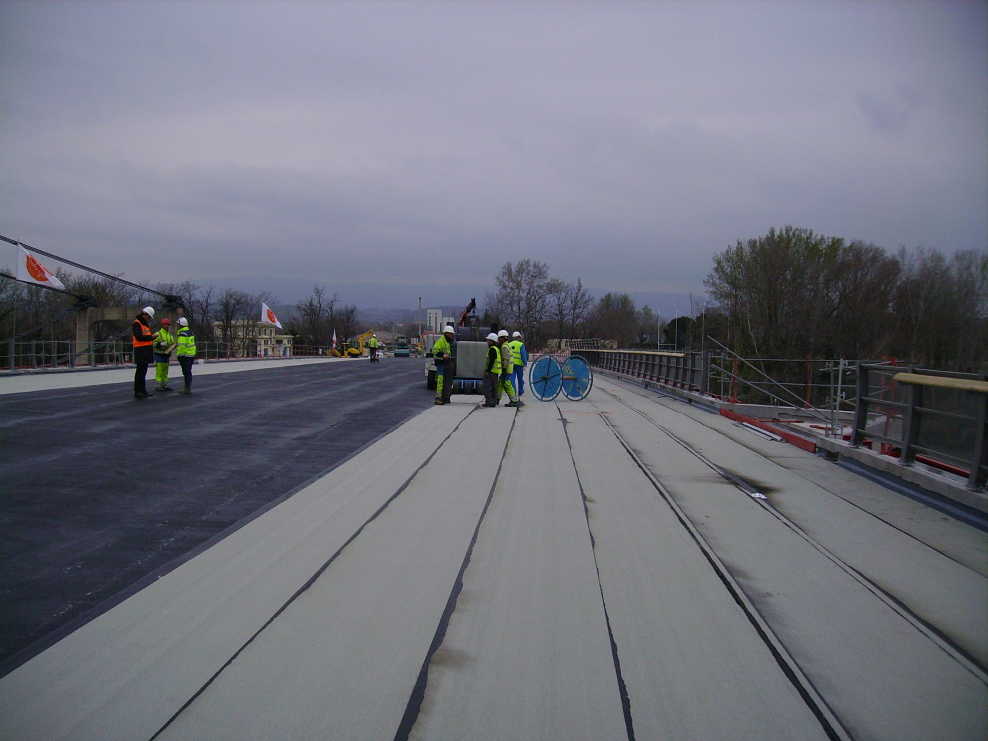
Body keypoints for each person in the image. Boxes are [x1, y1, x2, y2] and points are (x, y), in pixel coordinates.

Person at [132, 306, 156, 399]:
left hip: (146, 350)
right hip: (140, 350)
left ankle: (143, 391)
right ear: (145, 315)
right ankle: (138, 391)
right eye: (149, 317)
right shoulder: (137, 323)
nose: (149, 319)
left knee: (143, 372)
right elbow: (138, 337)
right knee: (140, 372)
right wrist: (152, 337)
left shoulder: (145, 324)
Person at [431, 325, 455, 405]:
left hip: (445, 363)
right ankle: (438, 398)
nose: (452, 336)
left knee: (445, 381)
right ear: (447, 333)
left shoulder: (446, 342)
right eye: (451, 334)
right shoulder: (441, 341)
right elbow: (434, 350)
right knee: (440, 381)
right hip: (440, 363)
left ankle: (444, 398)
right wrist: (443, 355)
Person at [497, 330, 522, 407]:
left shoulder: (504, 347)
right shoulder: (507, 345)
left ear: (503, 338)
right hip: (509, 368)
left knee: (507, 384)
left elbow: (506, 359)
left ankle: (514, 400)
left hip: (507, 369)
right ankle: (497, 398)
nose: (498, 340)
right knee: (501, 384)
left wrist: (504, 369)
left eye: (499, 338)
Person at [153, 318, 177, 392]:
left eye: (168, 325)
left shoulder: (170, 335)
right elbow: (151, 343)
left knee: (165, 371)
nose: (167, 326)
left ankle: (164, 385)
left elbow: (173, 343)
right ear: (162, 325)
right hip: (159, 355)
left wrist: (173, 347)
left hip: (166, 355)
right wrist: (159, 344)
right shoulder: (158, 334)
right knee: (159, 370)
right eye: (165, 324)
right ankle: (158, 385)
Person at [175, 317, 197, 394]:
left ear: (181, 325)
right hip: (191, 355)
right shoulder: (190, 332)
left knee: (186, 372)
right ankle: (187, 387)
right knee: (188, 372)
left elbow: (182, 346)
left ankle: (187, 389)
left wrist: (179, 356)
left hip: (185, 356)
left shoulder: (183, 333)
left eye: (178, 324)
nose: (177, 326)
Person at [482, 332, 501, 407]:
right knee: (494, 388)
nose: (487, 342)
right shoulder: (496, 349)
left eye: (488, 340)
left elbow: (491, 361)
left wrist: (488, 371)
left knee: (487, 388)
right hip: (495, 372)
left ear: (492, 341)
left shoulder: (492, 349)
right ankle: (493, 402)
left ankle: (489, 402)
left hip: (491, 372)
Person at [508, 331, 528, 396]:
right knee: (520, 379)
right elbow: (523, 355)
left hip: (511, 364)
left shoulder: (509, 344)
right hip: (519, 364)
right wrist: (525, 363)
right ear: (519, 337)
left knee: (512, 378)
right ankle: (520, 391)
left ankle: (513, 391)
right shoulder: (521, 344)